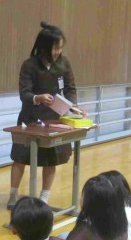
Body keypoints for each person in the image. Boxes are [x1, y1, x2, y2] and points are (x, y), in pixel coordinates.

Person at [8, 22, 86, 209]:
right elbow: (24, 94)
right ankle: (13, 195)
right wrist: (38, 98)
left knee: (51, 159)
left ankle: (44, 198)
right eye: (55, 48)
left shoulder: (64, 63)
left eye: (60, 48)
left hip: (54, 119)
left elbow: (70, 88)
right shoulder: (29, 65)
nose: (58, 51)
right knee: (20, 157)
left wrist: (73, 105)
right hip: (30, 119)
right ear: (44, 47)